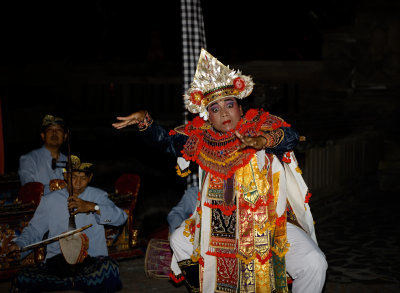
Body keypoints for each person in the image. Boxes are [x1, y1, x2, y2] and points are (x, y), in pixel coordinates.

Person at [114, 49, 327, 293]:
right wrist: (145, 122)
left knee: (315, 263)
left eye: (229, 104)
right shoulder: (201, 138)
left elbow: (290, 136)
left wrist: (263, 141)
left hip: (267, 224)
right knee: (178, 241)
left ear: (239, 106)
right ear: (208, 116)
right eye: (215, 109)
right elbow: (168, 141)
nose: (224, 112)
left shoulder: (260, 125)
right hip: (216, 224)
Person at [7, 155, 127, 292]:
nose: (77, 183)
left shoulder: (98, 196)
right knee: (22, 277)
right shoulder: (49, 200)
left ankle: (68, 283)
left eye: (83, 178)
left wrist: (93, 207)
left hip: (91, 260)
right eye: (73, 177)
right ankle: (77, 283)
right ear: (65, 176)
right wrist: (19, 245)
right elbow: (35, 230)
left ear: (90, 178)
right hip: (58, 262)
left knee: (109, 268)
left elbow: (121, 218)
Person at [18, 114, 68, 194]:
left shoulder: (69, 161)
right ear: (43, 136)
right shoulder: (29, 159)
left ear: (65, 136)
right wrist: (56, 187)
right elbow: (29, 189)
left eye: (59, 130)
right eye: (50, 130)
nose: (54, 133)